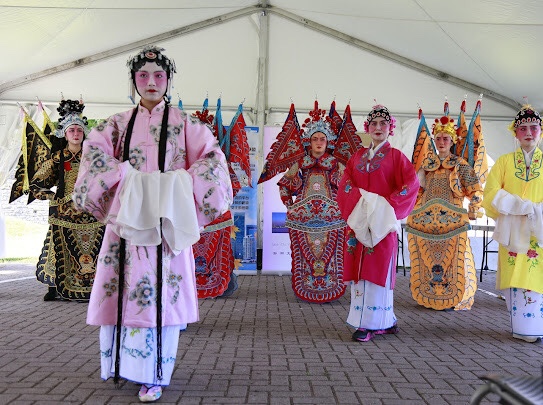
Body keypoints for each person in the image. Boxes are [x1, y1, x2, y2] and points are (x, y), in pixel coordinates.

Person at [73, 46, 232, 402]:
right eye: (143, 75)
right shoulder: (116, 124)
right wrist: (127, 177)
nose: (151, 82)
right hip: (125, 227)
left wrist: (176, 183)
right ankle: (123, 367)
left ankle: (155, 373)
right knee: (121, 292)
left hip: (165, 226)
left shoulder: (186, 124)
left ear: (169, 81)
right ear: (133, 80)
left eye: (159, 75)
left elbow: (213, 161)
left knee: (162, 298)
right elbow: (93, 157)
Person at [337, 104, 419, 342]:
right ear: (368, 128)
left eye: (383, 124)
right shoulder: (357, 157)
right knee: (360, 270)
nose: (378, 127)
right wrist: (363, 203)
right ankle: (384, 320)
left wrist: (384, 207)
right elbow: (346, 184)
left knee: (378, 270)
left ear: (390, 128)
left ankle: (371, 324)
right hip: (359, 220)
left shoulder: (397, 157)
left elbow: (411, 185)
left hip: (383, 223)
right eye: (373, 124)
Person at [406, 116, 483, 311]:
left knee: (454, 258)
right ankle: (431, 295)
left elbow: (474, 188)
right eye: (438, 138)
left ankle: (454, 297)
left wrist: (474, 205)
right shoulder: (426, 165)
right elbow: (417, 191)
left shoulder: (459, 164)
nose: (441, 142)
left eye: (445, 139)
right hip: (428, 222)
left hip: (453, 222)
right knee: (428, 258)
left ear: (452, 141)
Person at [30, 99, 104, 301]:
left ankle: (94, 286)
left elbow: (104, 180)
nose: (76, 134)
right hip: (64, 213)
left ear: (84, 133)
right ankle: (55, 286)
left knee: (96, 249)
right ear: (65, 133)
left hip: (90, 211)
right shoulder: (57, 158)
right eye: (72, 130)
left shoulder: (93, 157)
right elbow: (37, 182)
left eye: (79, 130)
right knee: (57, 248)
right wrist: (51, 196)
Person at [482, 104, 543, 343]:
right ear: (515, 133)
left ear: (540, 131)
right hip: (513, 229)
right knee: (514, 275)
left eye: (534, 127)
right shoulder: (504, 162)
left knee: (537, 276)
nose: (528, 132)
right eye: (523, 128)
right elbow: (490, 193)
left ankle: (535, 327)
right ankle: (522, 327)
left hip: (539, 230)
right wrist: (518, 206)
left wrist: (536, 210)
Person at [278, 103, 347, 303]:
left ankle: (330, 285)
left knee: (332, 254)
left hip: (333, 220)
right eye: (315, 139)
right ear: (309, 141)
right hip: (303, 220)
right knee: (304, 254)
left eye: (322, 139)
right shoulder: (300, 164)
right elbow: (284, 185)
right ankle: (306, 284)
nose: (318, 143)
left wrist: (343, 207)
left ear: (328, 142)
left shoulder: (336, 164)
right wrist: (289, 205)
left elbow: (348, 189)